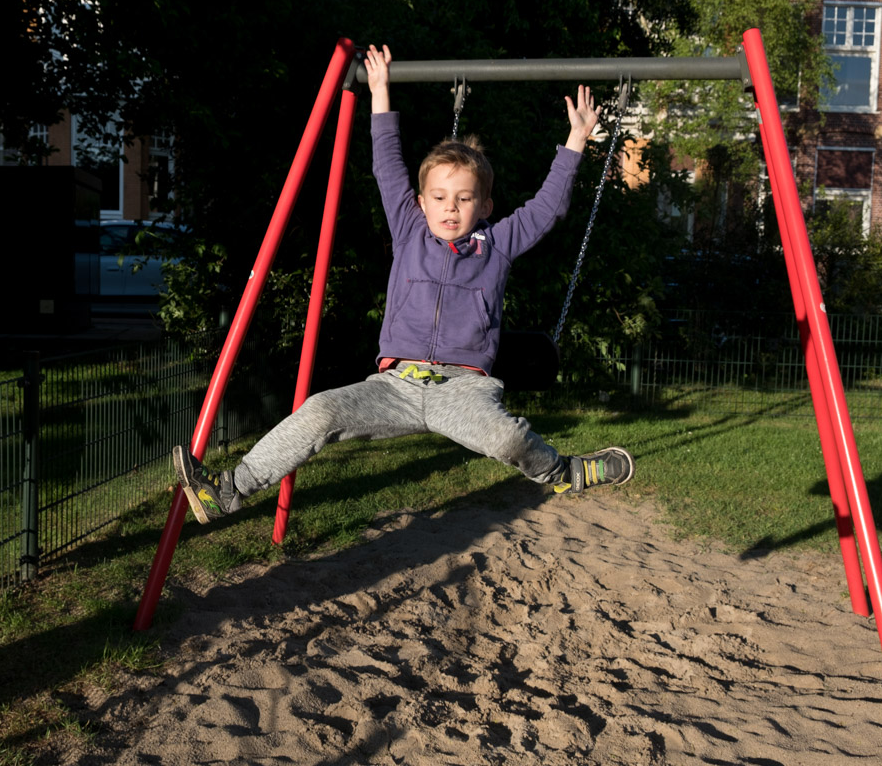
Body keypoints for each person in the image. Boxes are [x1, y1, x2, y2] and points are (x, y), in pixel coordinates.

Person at [173, 44, 633, 524]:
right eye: (439, 196)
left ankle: (563, 472)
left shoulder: (497, 245)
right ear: (421, 202)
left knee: (509, 439)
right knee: (319, 412)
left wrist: (577, 139)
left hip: (464, 390)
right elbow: (387, 167)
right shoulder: (409, 230)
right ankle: (226, 493)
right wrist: (379, 92)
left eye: (464, 198)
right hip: (395, 385)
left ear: (485, 207)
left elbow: (546, 210)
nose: (451, 207)